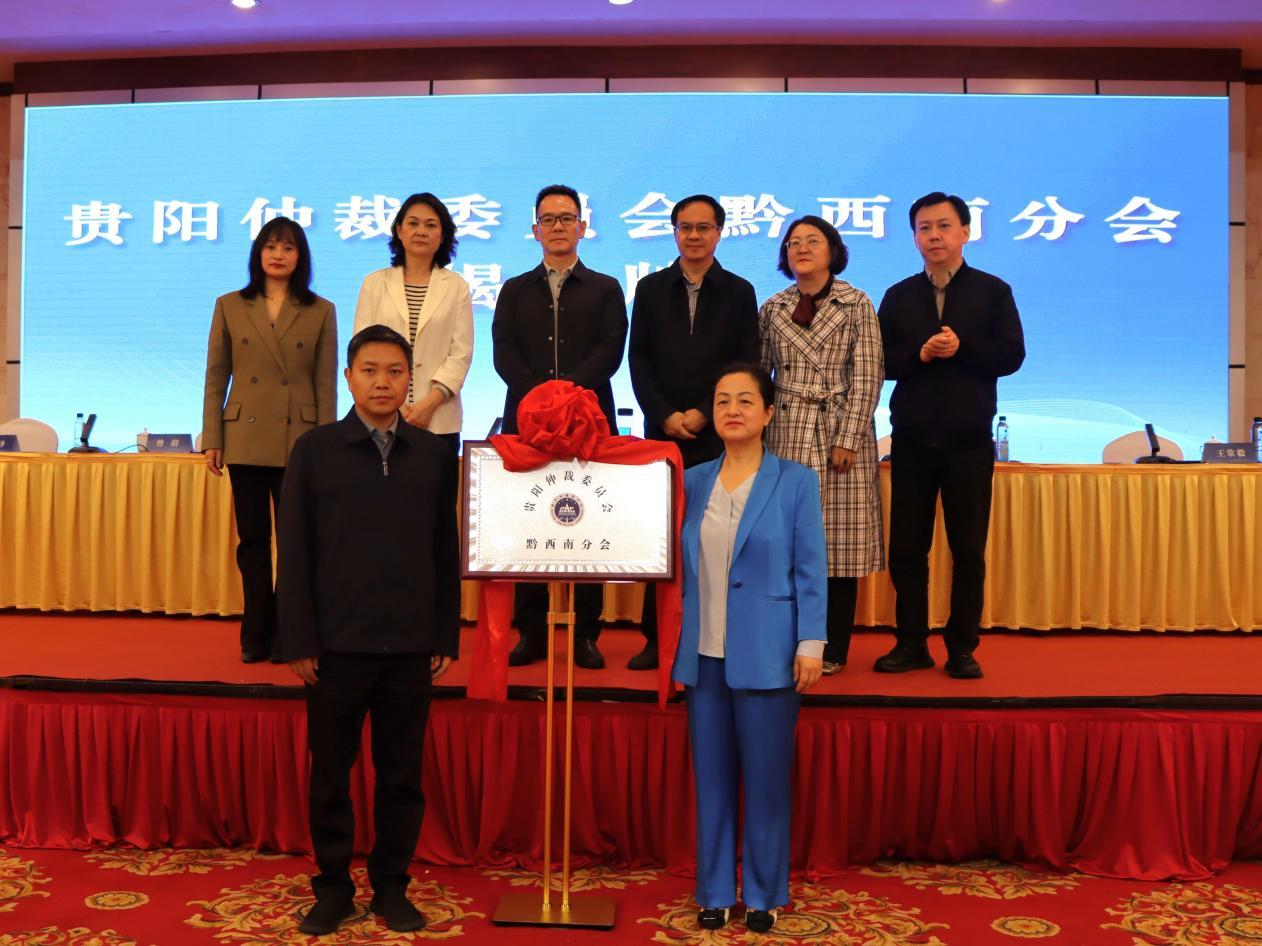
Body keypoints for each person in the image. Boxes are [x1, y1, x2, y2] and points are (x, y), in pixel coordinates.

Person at [277, 324, 460, 936]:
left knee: (401, 777)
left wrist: (444, 634)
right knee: (330, 778)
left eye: (395, 372)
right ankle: (332, 888)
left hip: (409, 646)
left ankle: (391, 887)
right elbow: (294, 551)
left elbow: (444, 550)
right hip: (335, 648)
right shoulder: (315, 450)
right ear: (349, 378)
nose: (383, 382)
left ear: (410, 380)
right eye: (370, 371)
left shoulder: (433, 454)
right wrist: (299, 639)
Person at [672, 362, 826, 936]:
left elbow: (811, 568)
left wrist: (811, 641)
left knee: (766, 783)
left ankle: (763, 893)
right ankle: (714, 891)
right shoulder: (691, 481)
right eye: (721, 401)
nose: (731, 410)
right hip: (704, 656)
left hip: (770, 654)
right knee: (710, 782)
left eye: (744, 400)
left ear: (768, 413)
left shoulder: (796, 481)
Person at [876, 191, 1025, 679]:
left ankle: (962, 647)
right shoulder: (898, 296)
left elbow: (1011, 355)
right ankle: (911, 643)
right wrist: (918, 355)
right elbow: (879, 361)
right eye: (924, 228)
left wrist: (963, 348)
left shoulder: (993, 291)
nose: (934, 236)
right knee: (906, 549)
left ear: (965, 232)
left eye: (943, 226)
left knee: (968, 551)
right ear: (914, 237)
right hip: (912, 441)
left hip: (968, 443)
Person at [491, 184, 628, 670]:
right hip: (527, 424)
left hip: (589, 420)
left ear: (583, 227)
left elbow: (610, 351)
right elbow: (504, 352)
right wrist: (541, 400)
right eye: (548, 219)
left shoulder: (606, 288)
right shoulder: (514, 290)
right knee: (528, 520)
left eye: (566, 218)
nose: (557, 227)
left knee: (589, 521)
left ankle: (586, 633)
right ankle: (530, 632)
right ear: (535, 230)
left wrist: (566, 397)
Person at [627, 194, 758, 671]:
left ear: (719, 233)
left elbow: (746, 361)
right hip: (661, 434)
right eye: (686, 227)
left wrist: (707, 412)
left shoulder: (739, 291)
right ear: (675, 232)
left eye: (704, 227)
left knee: (714, 535)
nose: (695, 236)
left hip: (718, 433)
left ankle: (712, 634)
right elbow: (638, 358)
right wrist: (663, 414)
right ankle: (656, 636)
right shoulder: (650, 288)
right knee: (661, 535)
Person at [201, 216, 337, 664]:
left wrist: (327, 445)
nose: (278, 255)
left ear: (301, 257)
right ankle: (255, 632)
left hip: (299, 438)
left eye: (288, 247)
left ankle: (287, 634)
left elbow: (325, 385)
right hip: (245, 436)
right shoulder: (230, 305)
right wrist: (213, 435)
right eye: (271, 246)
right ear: (258, 253)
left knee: (295, 544)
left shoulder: (320, 310)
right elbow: (216, 376)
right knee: (253, 543)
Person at [758, 215, 884, 676]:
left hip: (839, 433)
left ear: (833, 250)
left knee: (838, 549)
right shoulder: (773, 307)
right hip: (786, 433)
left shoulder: (857, 303)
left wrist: (848, 438)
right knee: (785, 544)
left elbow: (868, 376)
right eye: (793, 242)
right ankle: (785, 639)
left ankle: (832, 647)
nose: (802, 248)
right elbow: (761, 375)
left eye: (813, 241)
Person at [352, 192, 474, 467]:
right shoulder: (374, 283)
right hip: (380, 412)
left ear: (442, 235)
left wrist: (429, 403)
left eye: (431, 225)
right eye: (413, 223)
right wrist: (395, 404)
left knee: (435, 493)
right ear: (399, 230)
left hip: (438, 417)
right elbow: (361, 350)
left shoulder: (456, 286)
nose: (421, 231)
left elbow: (461, 353)